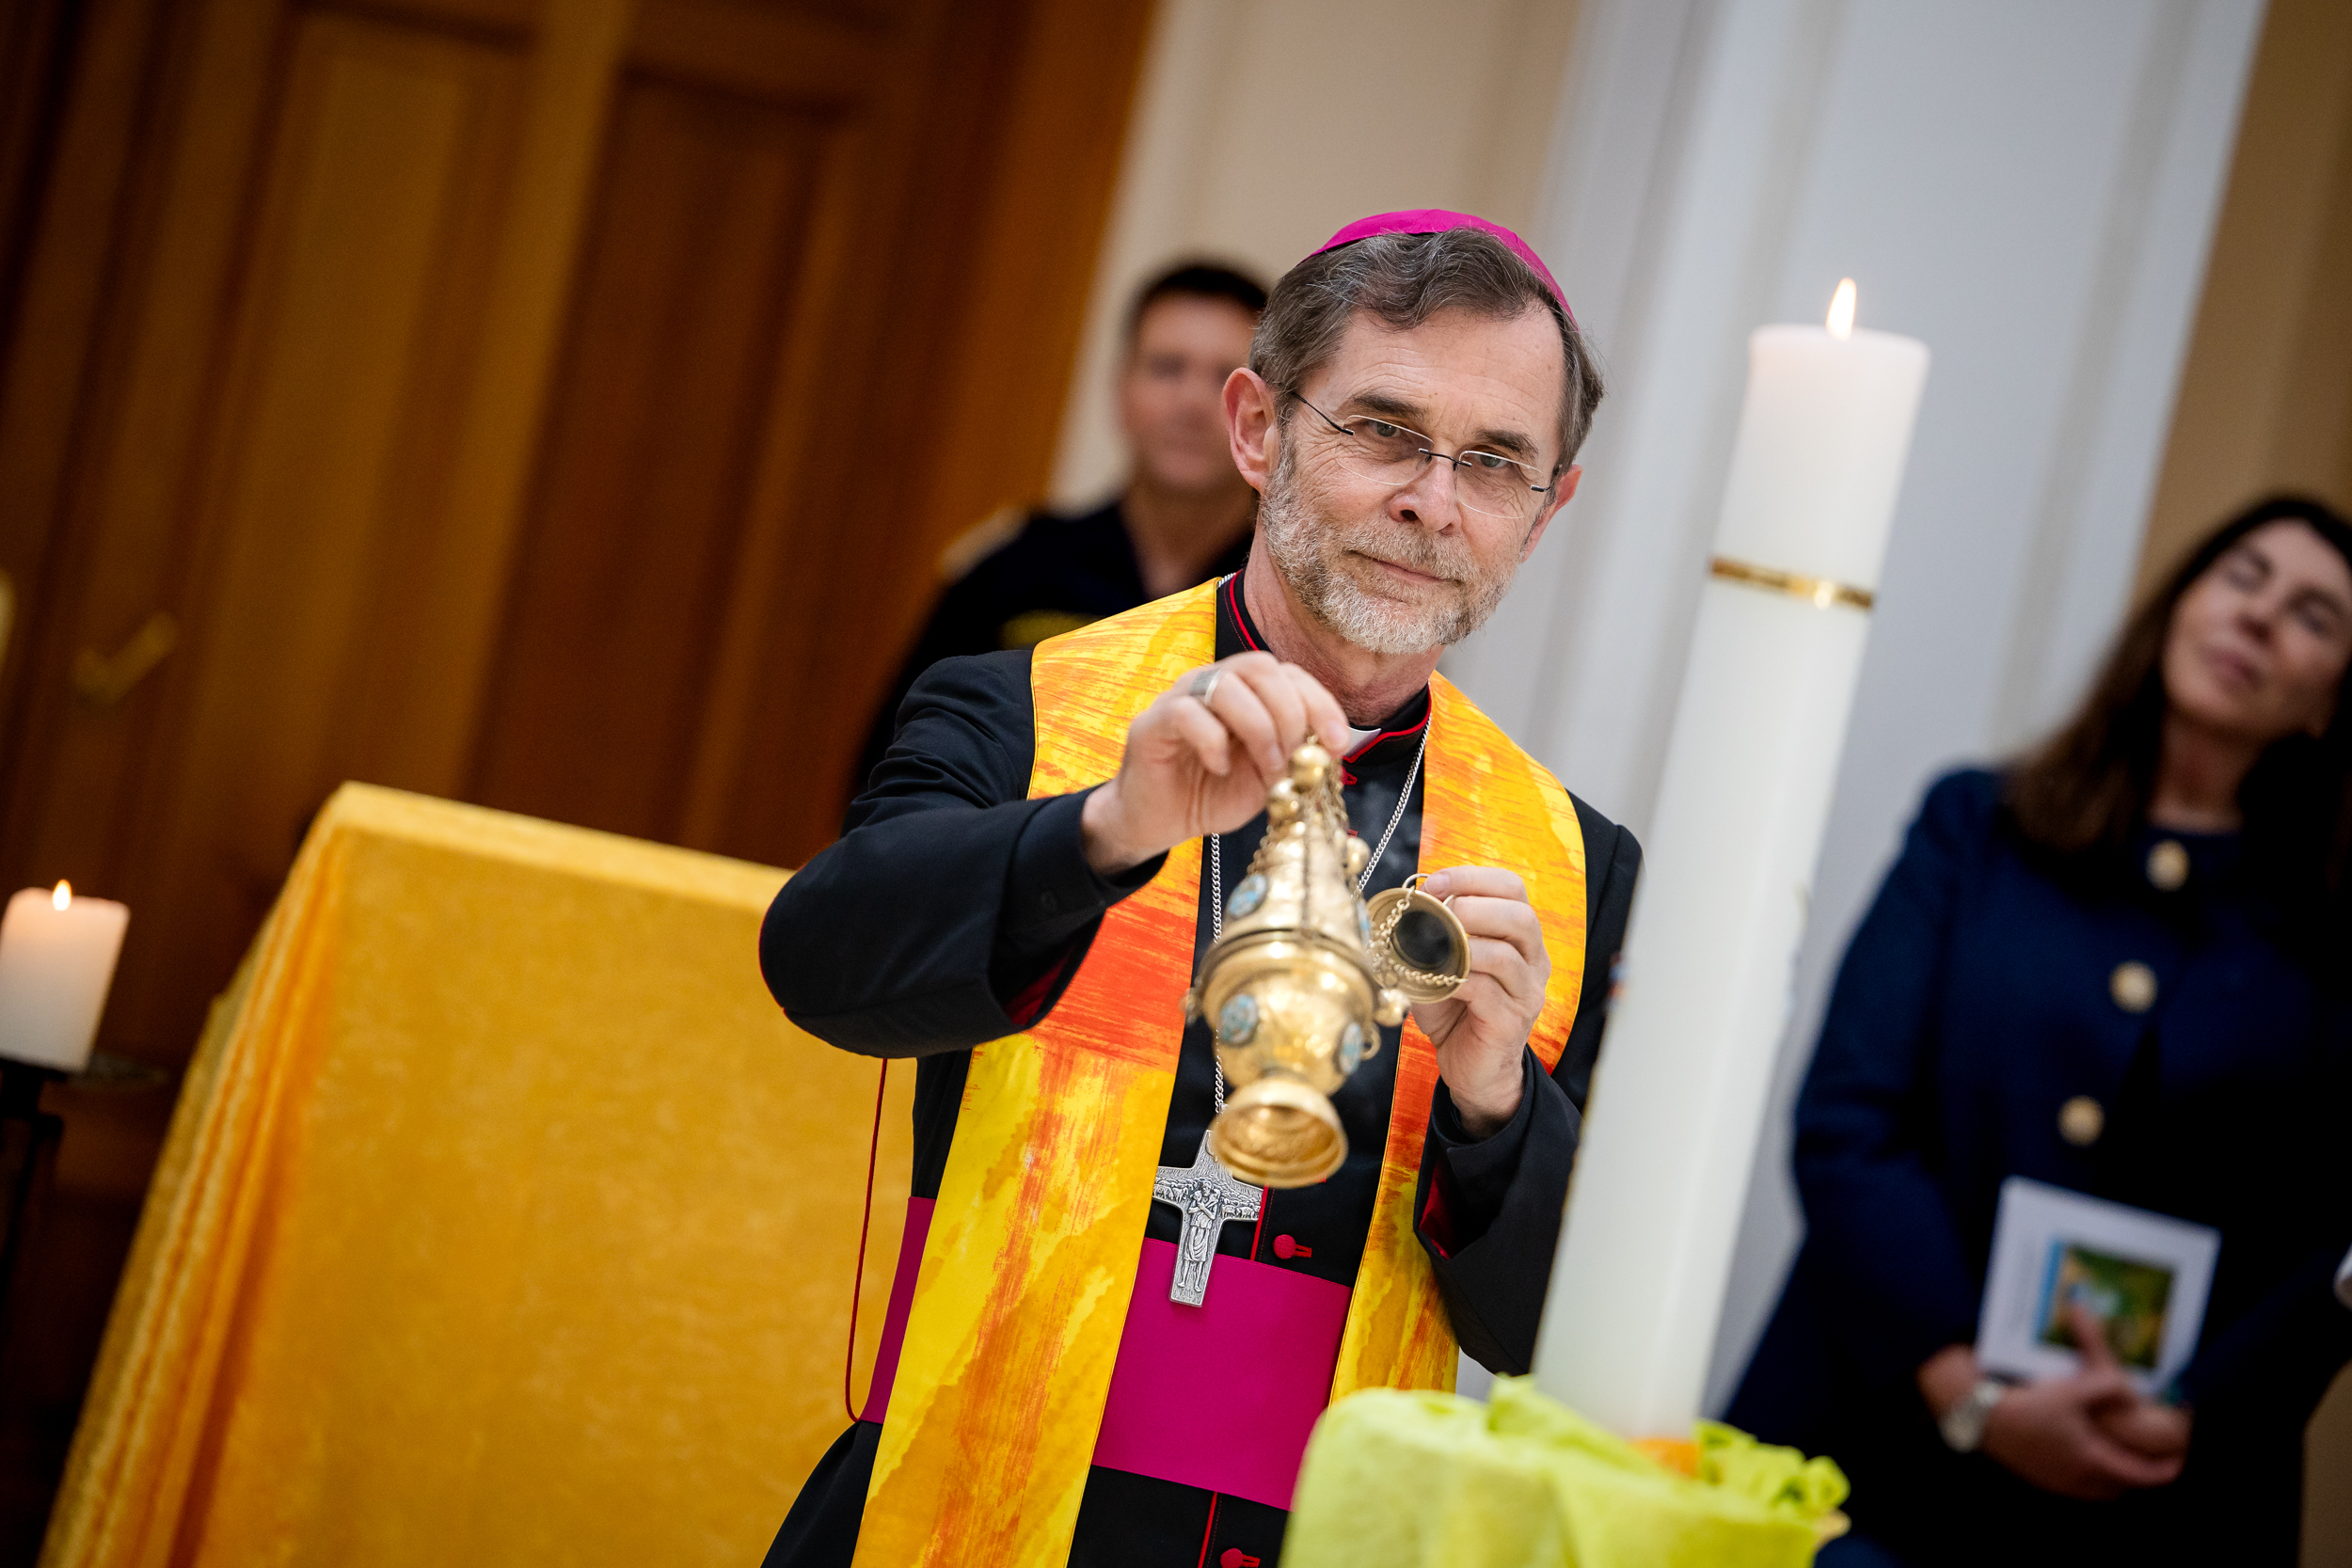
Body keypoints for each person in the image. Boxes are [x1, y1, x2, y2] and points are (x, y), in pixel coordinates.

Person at [759, 213, 1638, 1568]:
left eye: (1494, 461)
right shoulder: (1021, 707)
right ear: (1257, 428)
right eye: (1384, 431)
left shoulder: (1572, 861)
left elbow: (1550, 1338)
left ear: (1547, 508)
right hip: (954, 1499)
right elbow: (820, 967)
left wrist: (1493, 1103)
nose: (1432, 501)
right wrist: (1105, 829)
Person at [1729, 495, 2352, 1565]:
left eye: (2314, 614)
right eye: (2242, 576)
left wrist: (2197, 1409)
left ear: (2332, 701)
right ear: (2178, 606)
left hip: (2154, 1497)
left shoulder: (2334, 935)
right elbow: (1848, 1115)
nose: (2259, 615)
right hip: (1874, 1442)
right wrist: (1963, 1384)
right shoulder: (1977, 826)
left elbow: (2330, 1239)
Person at [854, 261, 1268, 790]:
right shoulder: (1013, 572)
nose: (1191, 403)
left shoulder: (1286, 598)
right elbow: (893, 772)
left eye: (1223, 378)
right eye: (1167, 368)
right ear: (1121, 388)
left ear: (1261, 413)